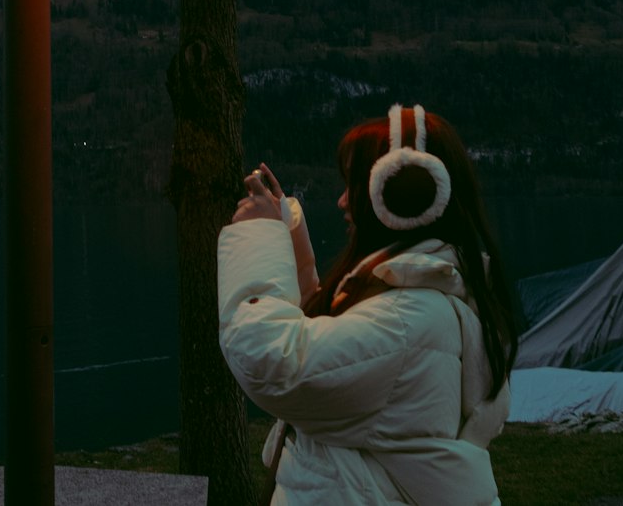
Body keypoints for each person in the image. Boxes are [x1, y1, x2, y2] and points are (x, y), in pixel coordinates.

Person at [218, 104, 517, 505]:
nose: (342, 202)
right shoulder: (416, 303)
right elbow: (331, 341)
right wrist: (288, 234)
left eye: (353, 186)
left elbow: (273, 359)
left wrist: (257, 236)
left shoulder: (407, 323)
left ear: (398, 196)